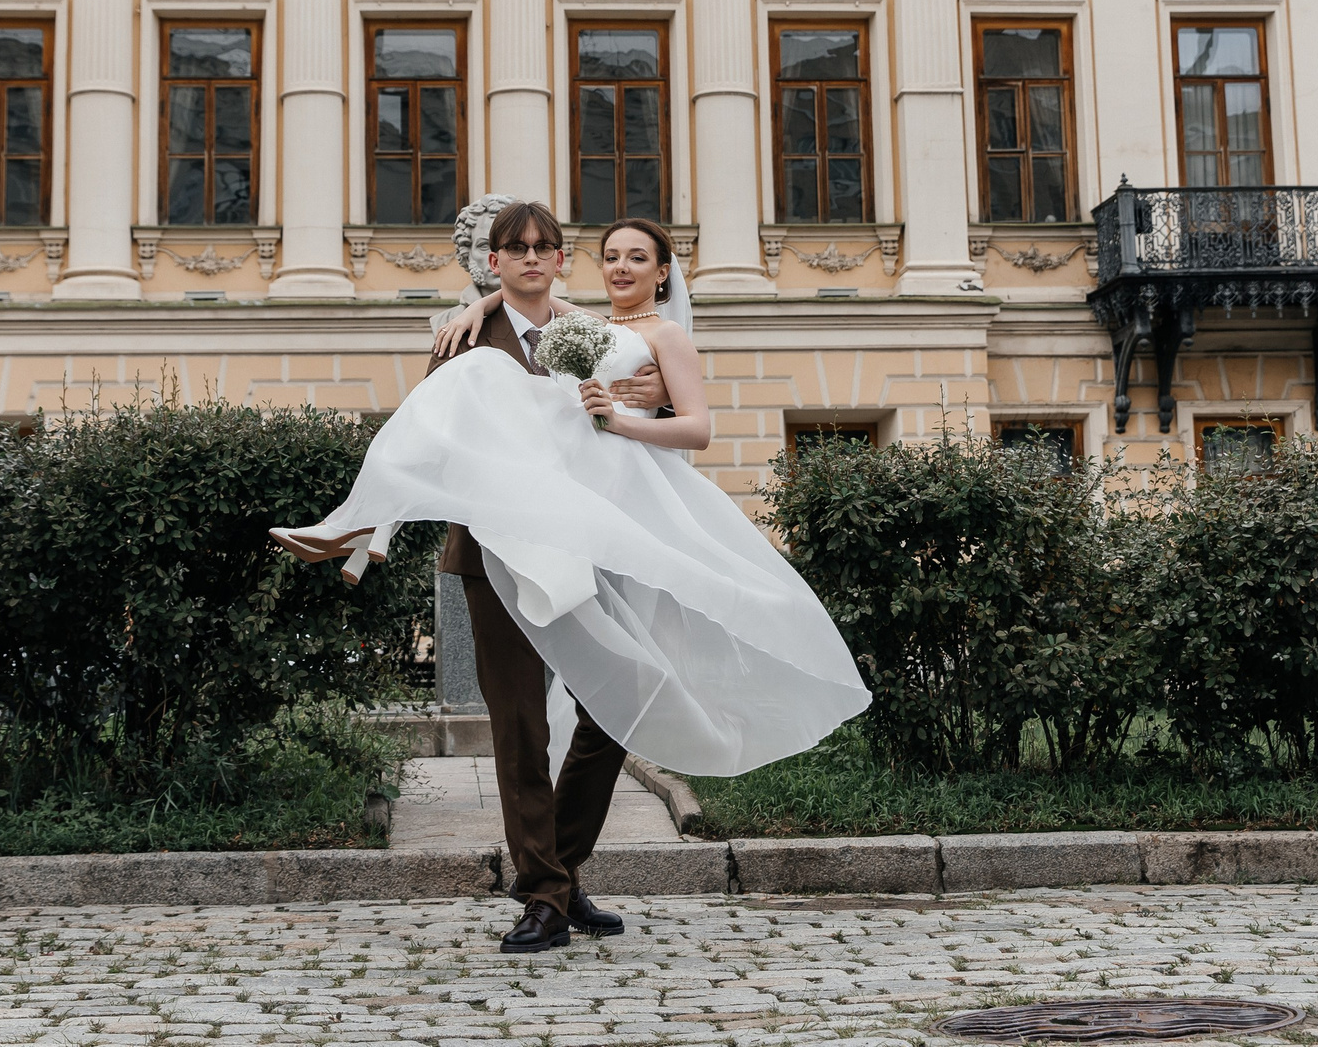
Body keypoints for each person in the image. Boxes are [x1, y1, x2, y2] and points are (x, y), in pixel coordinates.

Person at [271, 202, 869, 955]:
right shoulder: (462, 339)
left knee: (619, 703)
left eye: (542, 248)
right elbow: (432, 441)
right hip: (492, 557)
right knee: (519, 727)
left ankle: (558, 868)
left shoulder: (585, 332)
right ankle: (547, 897)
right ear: (495, 263)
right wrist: (483, 308)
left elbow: (654, 399)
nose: (529, 259)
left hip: (584, 550)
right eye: (512, 250)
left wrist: (633, 404)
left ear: (559, 259)